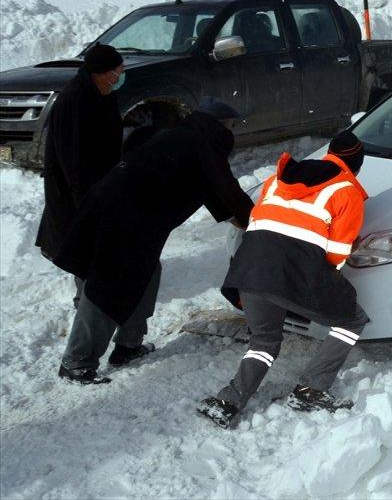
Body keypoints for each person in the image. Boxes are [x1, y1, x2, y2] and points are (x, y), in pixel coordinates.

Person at [54, 97, 254, 385]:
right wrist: (255, 221)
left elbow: (211, 189)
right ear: (222, 124)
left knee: (146, 273)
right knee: (107, 285)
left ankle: (129, 345)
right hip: (124, 219)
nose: (231, 133)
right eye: (231, 126)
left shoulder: (182, 136)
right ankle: (76, 362)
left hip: (113, 208)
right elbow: (225, 187)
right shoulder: (207, 141)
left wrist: (239, 217)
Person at [197, 131, 370, 428]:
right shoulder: (347, 191)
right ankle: (311, 390)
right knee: (352, 320)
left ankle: (227, 402)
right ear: (357, 164)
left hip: (249, 270)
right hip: (292, 276)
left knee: (264, 341)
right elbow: (336, 256)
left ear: (329, 154)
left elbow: (260, 222)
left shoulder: (277, 179)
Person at [36, 44, 125, 264]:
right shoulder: (75, 101)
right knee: (80, 246)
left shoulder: (102, 93)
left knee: (93, 244)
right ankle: (85, 285)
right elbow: (72, 158)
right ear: (103, 74)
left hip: (97, 184)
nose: (121, 76)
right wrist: (86, 199)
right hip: (75, 190)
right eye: (119, 71)